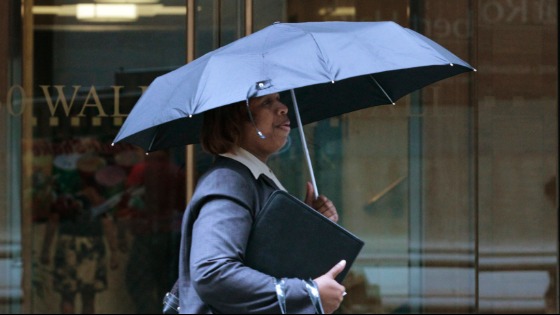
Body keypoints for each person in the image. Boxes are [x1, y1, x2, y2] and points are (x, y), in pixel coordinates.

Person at [178, 92, 346, 314]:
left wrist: (309, 226)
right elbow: (213, 271)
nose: (283, 108)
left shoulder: (249, 176)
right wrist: (308, 294)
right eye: (267, 102)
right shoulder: (228, 180)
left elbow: (264, 258)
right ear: (233, 120)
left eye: (278, 99)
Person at [40, 155, 119, 314]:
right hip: (91, 246)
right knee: (87, 297)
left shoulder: (65, 193)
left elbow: (53, 221)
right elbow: (107, 222)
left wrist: (46, 249)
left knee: (68, 295)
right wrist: (114, 251)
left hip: (69, 244)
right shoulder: (97, 196)